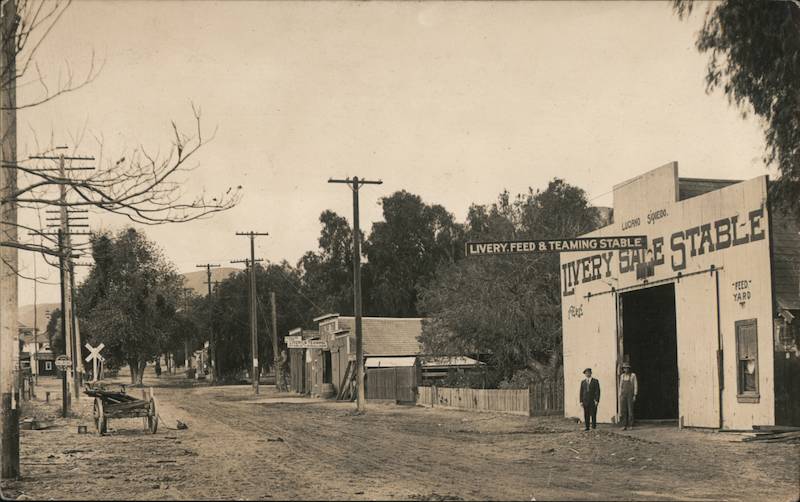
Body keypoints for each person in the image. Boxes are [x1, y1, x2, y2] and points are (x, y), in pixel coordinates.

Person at [619, 362, 638, 430]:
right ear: (623, 369)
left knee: (630, 410)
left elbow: (635, 385)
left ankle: (631, 425)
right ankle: (624, 425)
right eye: (624, 368)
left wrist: (635, 395)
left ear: (629, 369)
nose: (626, 369)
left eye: (627, 368)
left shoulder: (633, 375)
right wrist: (620, 395)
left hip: (630, 394)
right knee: (623, 410)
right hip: (623, 394)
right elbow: (620, 386)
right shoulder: (622, 376)